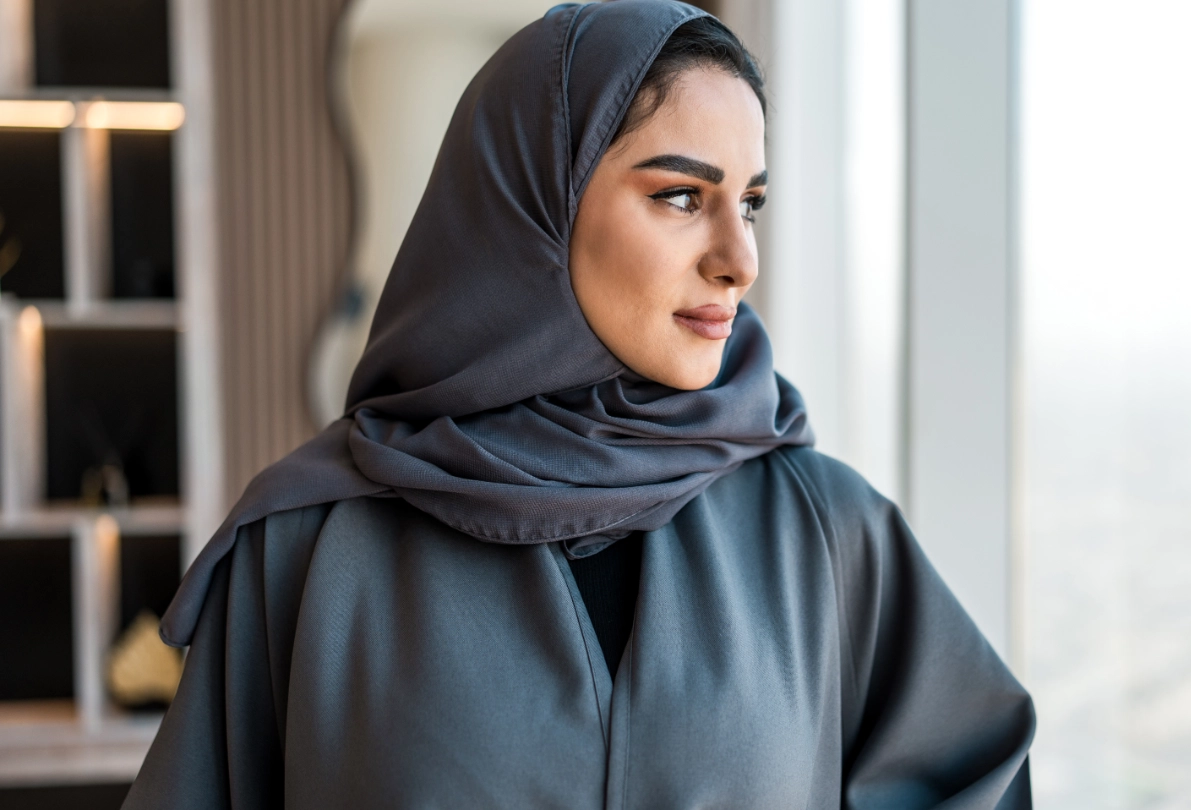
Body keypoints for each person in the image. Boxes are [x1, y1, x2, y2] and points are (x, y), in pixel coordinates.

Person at [122, 2, 1033, 807]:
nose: (739, 260)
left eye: (749, 204)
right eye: (681, 196)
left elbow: (975, 773)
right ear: (537, 205)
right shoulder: (310, 550)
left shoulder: (826, 531)